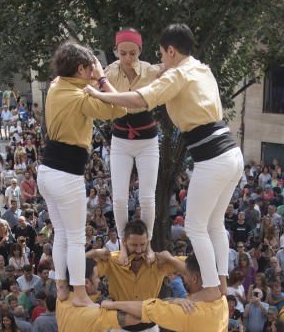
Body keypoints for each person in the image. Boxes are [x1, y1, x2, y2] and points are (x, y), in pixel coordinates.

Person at [88, 23, 244, 296]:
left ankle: (210, 287)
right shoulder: (201, 68)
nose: (160, 60)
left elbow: (139, 100)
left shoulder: (177, 75)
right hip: (231, 152)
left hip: (213, 156)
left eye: (161, 54)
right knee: (215, 223)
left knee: (196, 228)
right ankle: (220, 282)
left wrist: (99, 93)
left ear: (171, 51)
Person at [37, 41, 125, 306]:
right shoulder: (80, 98)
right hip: (66, 174)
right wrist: (102, 78)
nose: (93, 71)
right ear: (81, 68)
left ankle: (62, 287)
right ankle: (79, 294)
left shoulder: (55, 87)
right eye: (89, 67)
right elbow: (119, 108)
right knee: (75, 238)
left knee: (62, 234)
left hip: (46, 171)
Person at [105, 29, 159, 242]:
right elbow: (84, 82)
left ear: (140, 50)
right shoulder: (107, 73)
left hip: (148, 141)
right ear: (116, 51)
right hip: (120, 141)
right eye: (123, 53)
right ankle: (123, 242)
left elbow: (177, 69)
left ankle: (148, 243)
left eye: (133, 53)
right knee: (118, 199)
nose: (128, 58)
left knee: (147, 198)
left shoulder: (151, 71)